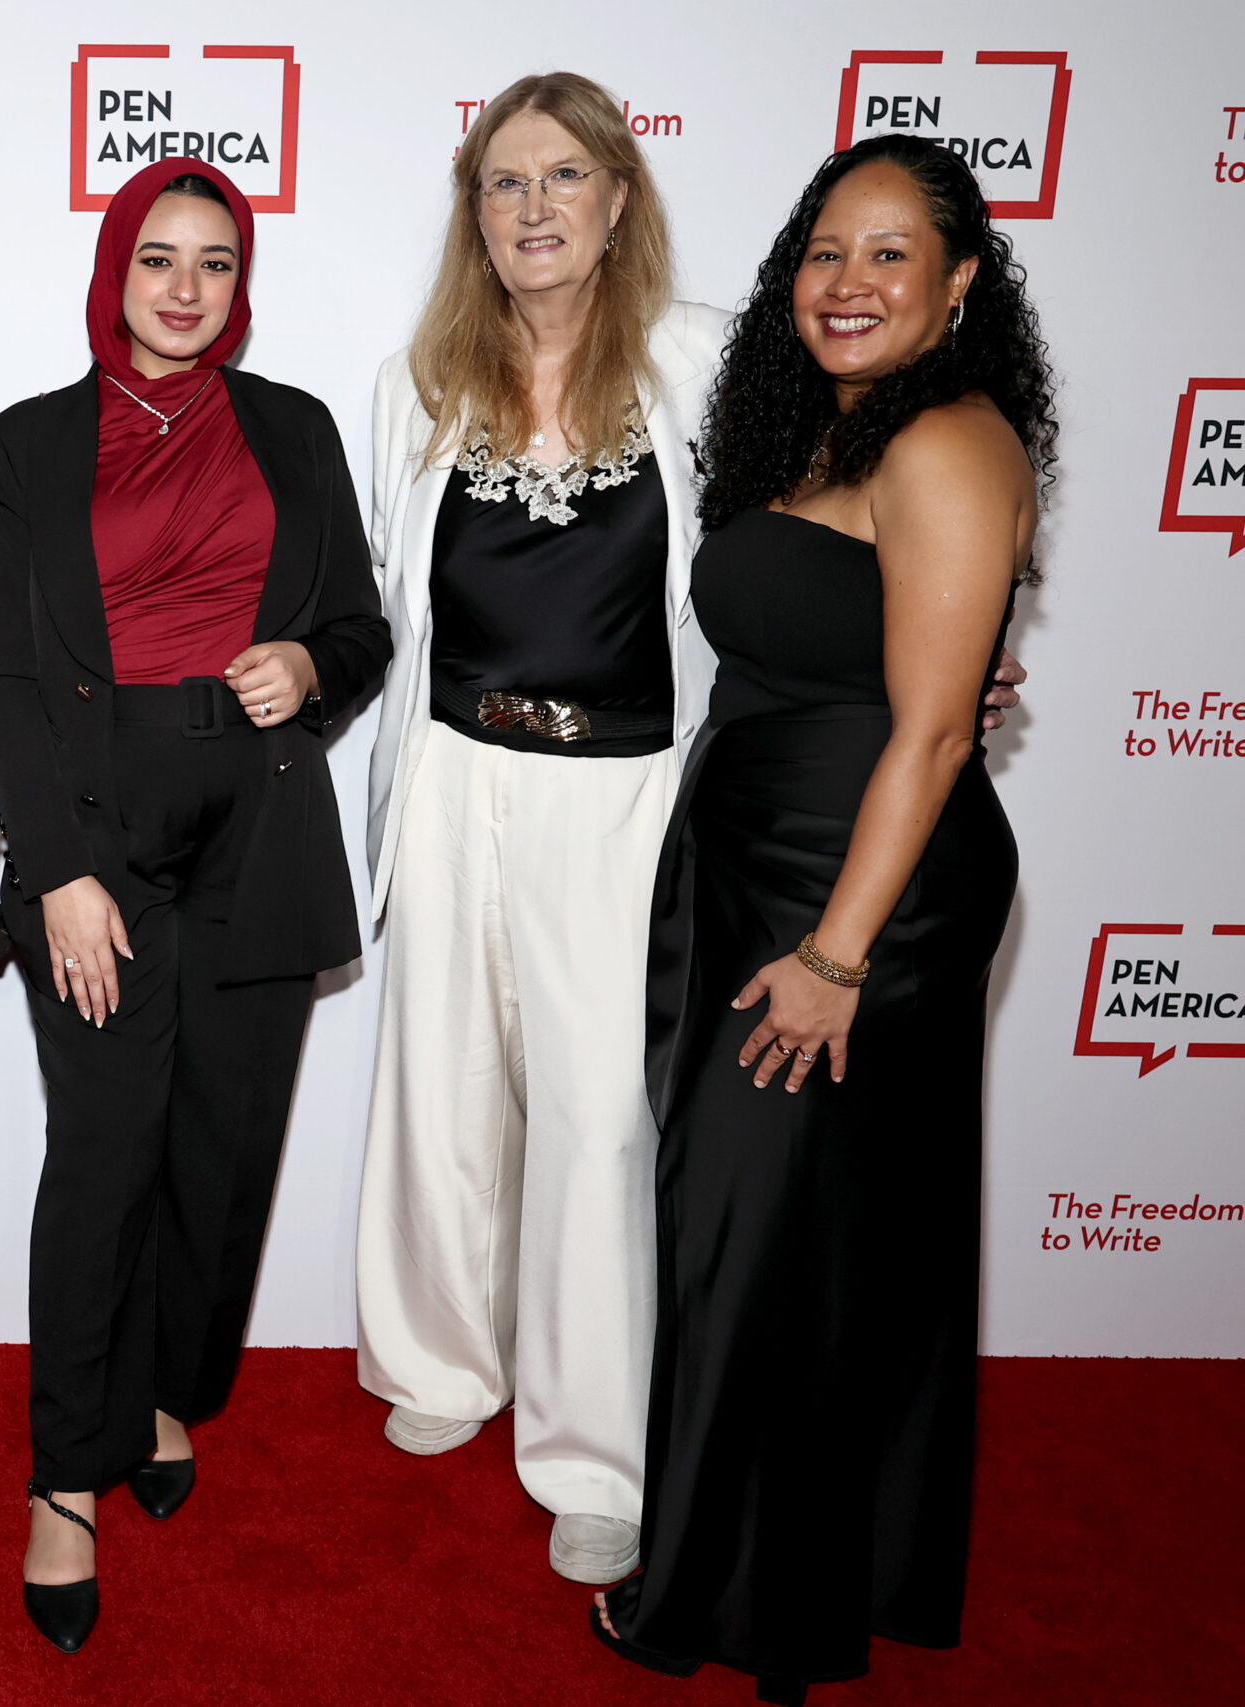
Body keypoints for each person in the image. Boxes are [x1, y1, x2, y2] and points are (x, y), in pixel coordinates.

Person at [351, 75, 1024, 1586]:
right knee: (443, 1086)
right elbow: (386, 600)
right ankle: (445, 1362)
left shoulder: (712, 360)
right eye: (504, 183)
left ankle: (596, 1449)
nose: (534, 208)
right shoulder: (415, 382)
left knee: (601, 1117)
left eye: (565, 178)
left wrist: (939, 649)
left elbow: (817, 544)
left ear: (617, 204)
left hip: (634, 788)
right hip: (456, 770)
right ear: (475, 214)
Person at [593, 134, 1049, 1704]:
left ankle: (734, 1596)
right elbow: (883, 663)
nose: (847, 285)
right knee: (798, 1245)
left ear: (961, 285)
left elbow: (928, 736)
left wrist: (840, 956)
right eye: (823, 254)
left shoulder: (949, 443)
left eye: (889, 257)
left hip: (858, 898)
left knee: (761, 1236)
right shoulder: (827, 437)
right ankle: (805, 1566)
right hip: (765, 865)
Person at [0, 158, 392, 1652]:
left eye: (216, 262)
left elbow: (359, 623)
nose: (185, 286)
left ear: (240, 283)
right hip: (97, 827)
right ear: (116, 266)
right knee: (103, 1154)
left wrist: (316, 672)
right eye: (160, 256)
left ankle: (164, 1392)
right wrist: (59, 870)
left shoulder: (294, 427)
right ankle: (64, 1481)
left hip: (262, 818)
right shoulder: (27, 443)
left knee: (222, 1148)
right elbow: (5, 677)